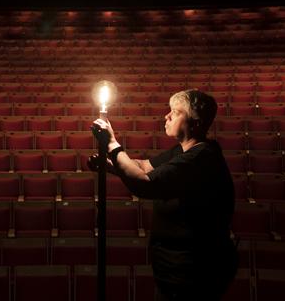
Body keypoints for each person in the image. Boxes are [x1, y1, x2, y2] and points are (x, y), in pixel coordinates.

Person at [89, 89, 237, 301]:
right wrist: (111, 166)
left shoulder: (200, 158)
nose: (166, 116)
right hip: (174, 268)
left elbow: (144, 183)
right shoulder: (185, 150)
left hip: (194, 272)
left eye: (175, 112)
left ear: (194, 122)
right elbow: (144, 166)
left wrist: (112, 143)